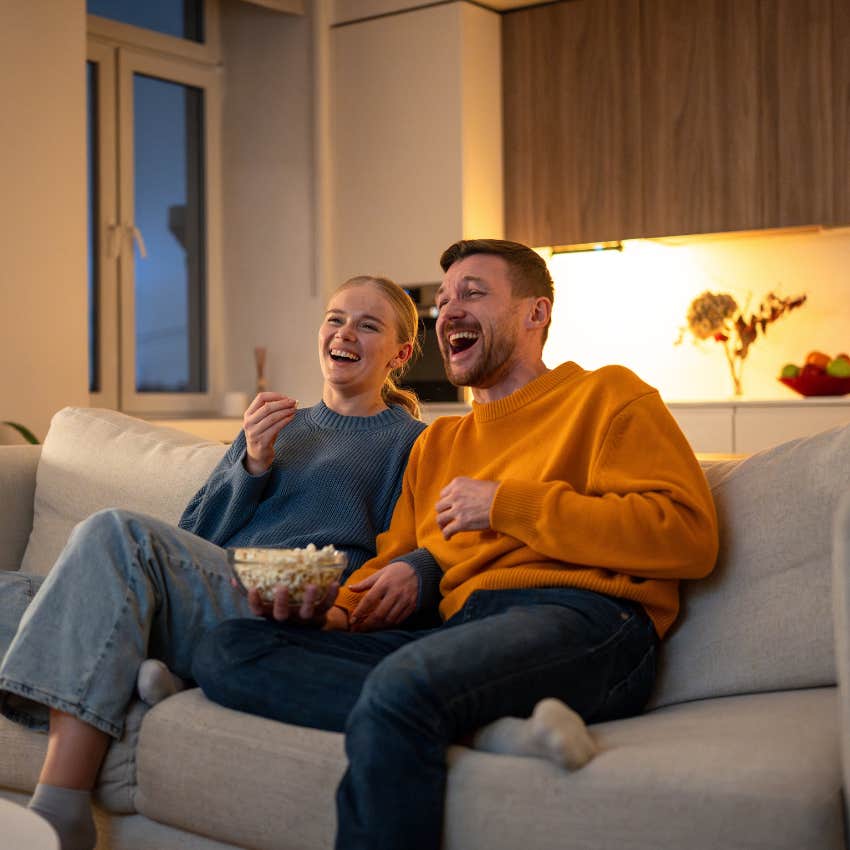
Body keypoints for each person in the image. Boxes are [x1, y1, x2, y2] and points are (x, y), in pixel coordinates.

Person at [191, 238, 720, 850]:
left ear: (535, 313)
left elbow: (688, 534)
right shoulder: (438, 444)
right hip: (458, 630)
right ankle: (479, 720)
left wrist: (507, 504)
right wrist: (333, 610)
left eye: (473, 293)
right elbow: (394, 559)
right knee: (227, 650)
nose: (450, 311)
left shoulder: (606, 396)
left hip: (586, 619)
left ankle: (442, 709)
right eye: (443, 301)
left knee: (404, 684)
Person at [0, 275, 428, 850]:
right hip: (204, 587)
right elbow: (194, 535)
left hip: (274, 603)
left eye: (367, 324)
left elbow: (406, 551)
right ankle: (131, 670)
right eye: (335, 318)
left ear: (400, 353)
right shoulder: (275, 424)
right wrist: (250, 462)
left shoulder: (411, 444)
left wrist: (337, 601)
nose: (345, 332)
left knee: (115, 532)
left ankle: (59, 807)